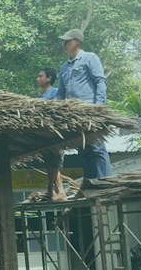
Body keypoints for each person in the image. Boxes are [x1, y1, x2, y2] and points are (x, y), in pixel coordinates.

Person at [56, 29, 113, 179]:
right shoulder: (64, 68)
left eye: (68, 41)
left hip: (89, 111)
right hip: (73, 115)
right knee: (81, 149)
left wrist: (98, 107)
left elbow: (100, 82)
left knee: (96, 146)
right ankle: (91, 182)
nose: (65, 44)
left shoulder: (89, 58)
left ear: (77, 42)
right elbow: (60, 93)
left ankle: (104, 181)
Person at [38, 67, 67, 201]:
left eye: (41, 76)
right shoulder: (39, 98)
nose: (38, 79)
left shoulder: (56, 93)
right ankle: (56, 192)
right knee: (50, 163)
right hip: (44, 136)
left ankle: (54, 190)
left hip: (56, 133)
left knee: (55, 163)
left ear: (49, 78)